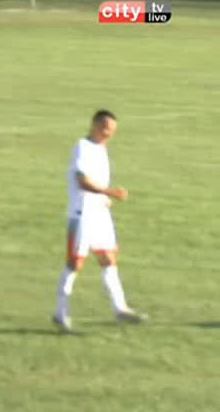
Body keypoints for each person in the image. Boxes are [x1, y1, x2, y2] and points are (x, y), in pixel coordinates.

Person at [53, 110, 147, 332]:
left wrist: (104, 199)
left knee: (108, 258)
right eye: (105, 127)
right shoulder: (83, 147)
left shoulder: (102, 149)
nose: (108, 133)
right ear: (94, 124)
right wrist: (109, 192)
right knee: (75, 264)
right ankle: (60, 312)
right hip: (82, 215)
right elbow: (82, 181)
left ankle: (120, 308)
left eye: (112, 130)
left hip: (100, 215)